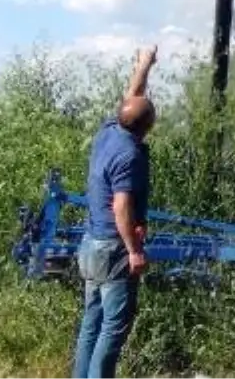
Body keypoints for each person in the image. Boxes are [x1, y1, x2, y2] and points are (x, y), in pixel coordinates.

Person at [72, 45, 158, 379]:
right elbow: (121, 205)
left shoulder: (109, 132)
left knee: (91, 325)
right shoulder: (130, 156)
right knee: (112, 329)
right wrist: (134, 251)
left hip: (92, 244)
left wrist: (144, 64)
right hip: (113, 250)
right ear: (148, 126)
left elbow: (131, 96)